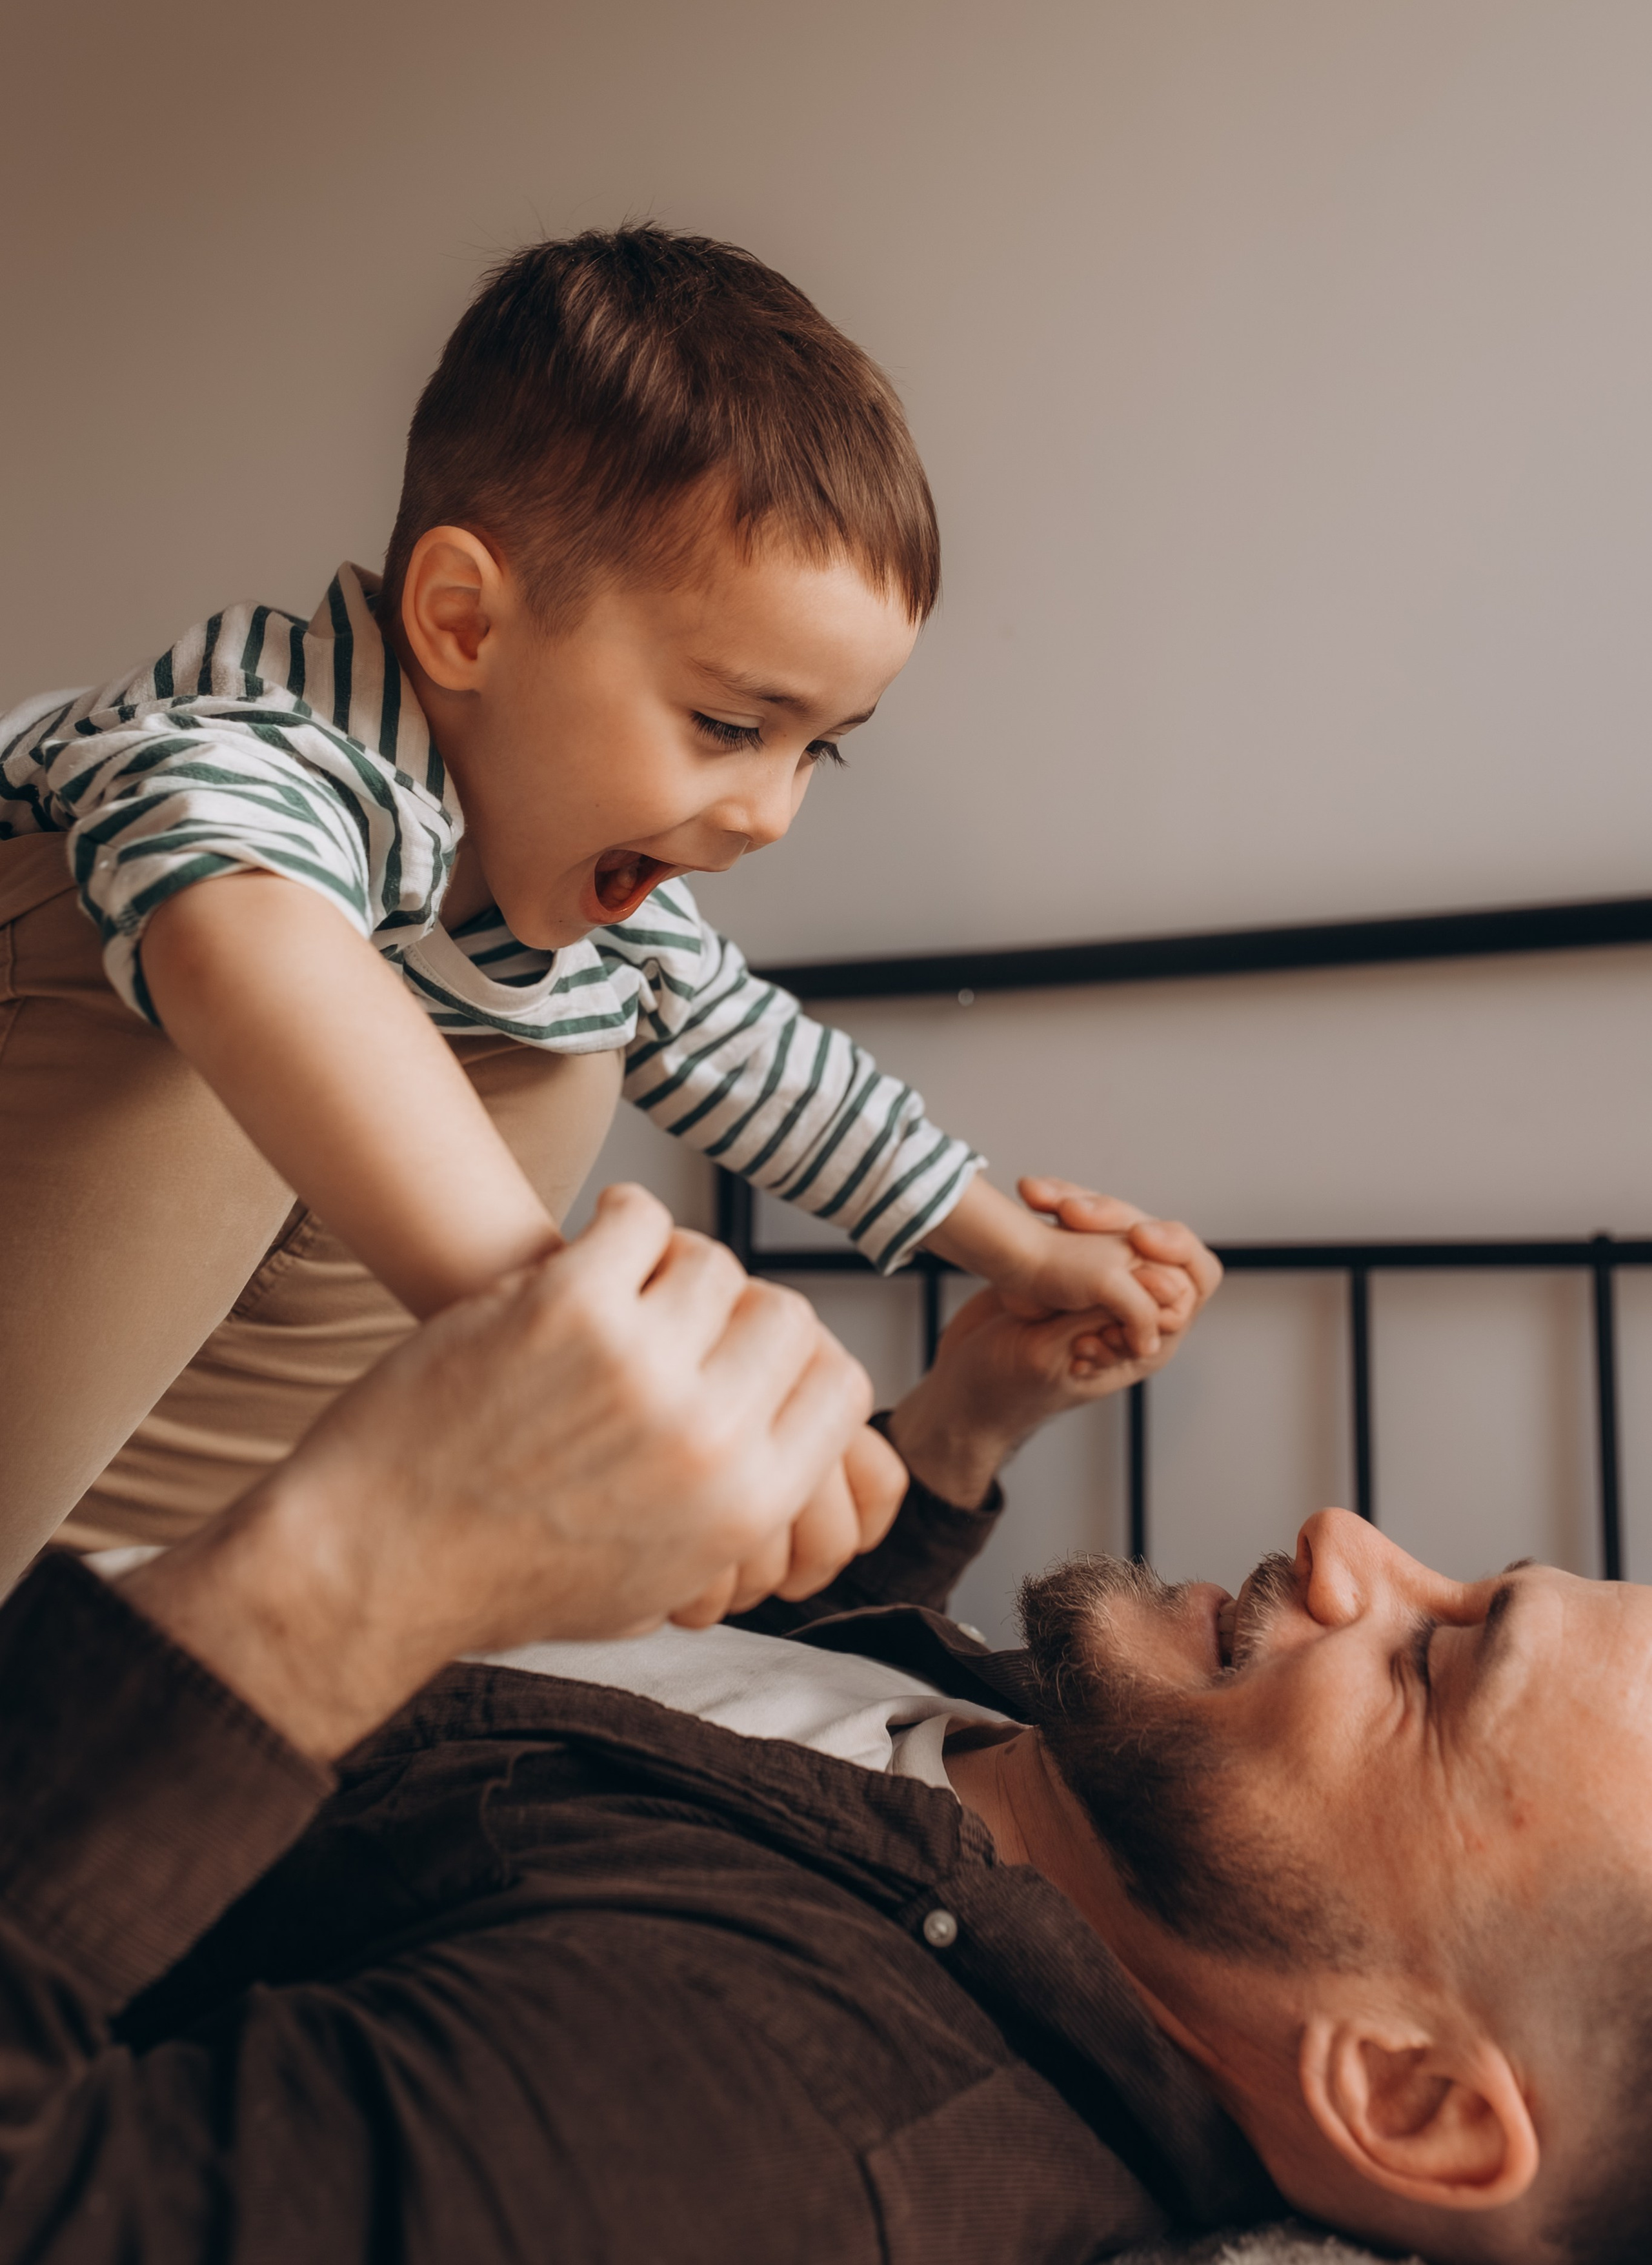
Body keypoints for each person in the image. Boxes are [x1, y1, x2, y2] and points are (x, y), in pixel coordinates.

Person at [10, 1192, 1634, 2265]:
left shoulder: (739, 2144)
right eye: (1466, 1574)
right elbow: (760, 1728)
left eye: (1427, 1666)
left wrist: (360, 1559)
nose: (1350, 1541)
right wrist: (952, 1432)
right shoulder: (1100, 1805)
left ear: (1408, 2101)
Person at [0, 225, 1196, 1580]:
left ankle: (161, 1608)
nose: (770, 811)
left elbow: (762, 1063)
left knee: (571, 1030)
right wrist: (574, 1329)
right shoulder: (267, 735)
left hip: (139, 1495)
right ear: (462, 622)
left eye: (820, 747)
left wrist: (1020, 1249)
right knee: (220, 1003)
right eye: (728, 722)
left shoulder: (574, 899)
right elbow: (238, 927)